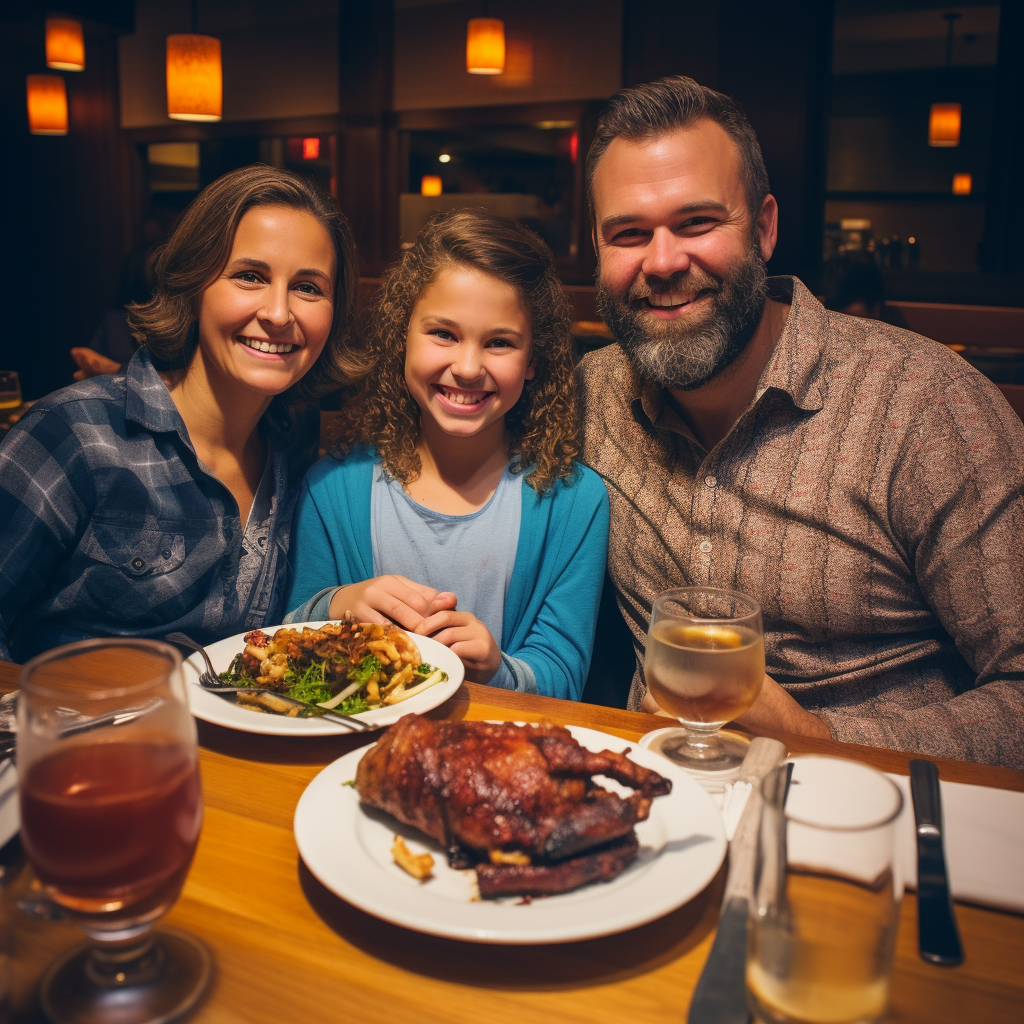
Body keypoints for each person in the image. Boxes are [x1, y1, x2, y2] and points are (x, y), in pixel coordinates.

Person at [578, 76, 1024, 766]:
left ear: (763, 228)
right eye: (629, 234)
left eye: (696, 222)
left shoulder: (927, 407)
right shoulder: (587, 397)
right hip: (657, 805)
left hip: (883, 821)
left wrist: (819, 740)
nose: (662, 262)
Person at [0, 164, 357, 662]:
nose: (279, 313)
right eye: (249, 276)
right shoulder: (74, 435)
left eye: (308, 287)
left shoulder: (294, 440)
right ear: (193, 283)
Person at [285, 209, 609, 701]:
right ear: (402, 339)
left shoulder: (575, 502)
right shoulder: (332, 488)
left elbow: (563, 676)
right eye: (443, 334)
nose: (468, 367)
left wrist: (498, 668)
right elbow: (284, 646)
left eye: (499, 343)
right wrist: (337, 604)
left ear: (532, 363)